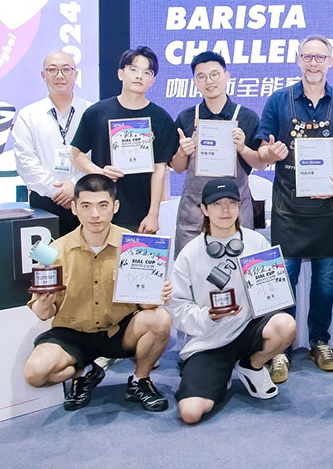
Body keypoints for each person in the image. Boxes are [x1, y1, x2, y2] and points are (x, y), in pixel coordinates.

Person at [21, 174, 173, 412]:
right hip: (72, 334)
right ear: (74, 208)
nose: (95, 214)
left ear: (115, 206)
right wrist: (44, 302)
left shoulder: (136, 245)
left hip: (118, 332)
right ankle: (86, 372)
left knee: (160, 318)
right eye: (86, 206)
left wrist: (155, 295)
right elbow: (43, 313)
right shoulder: (52, 250)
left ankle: (140, 380)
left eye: (103, 205)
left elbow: (146, 307)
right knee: (35, 373)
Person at [255, 35, 333, 380]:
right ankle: (280, 349)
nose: (314, 63)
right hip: (288, 206)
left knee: (325, 280)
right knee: (285, 279)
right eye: (307, 57)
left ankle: (320, 341)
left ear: (331, 61)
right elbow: (262, 148)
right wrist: (270, 153)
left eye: (320, 57)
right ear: (298, 60)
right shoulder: (278, 100)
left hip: (328, 208)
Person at [168, 178, 297, 423]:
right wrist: (207, 315)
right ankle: (221, 373)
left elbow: (273, 292)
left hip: (248, 329)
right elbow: (178, 306)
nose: (225, 209)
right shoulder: (190, 253)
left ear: (239, 206)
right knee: (190, 413)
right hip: (209, 339)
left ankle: (251, 365)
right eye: (217, 204)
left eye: (231, 202)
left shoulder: (257, 242)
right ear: (204, 209)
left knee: (285, 325)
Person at [70, 47, 177, 233]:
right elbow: (75, 154)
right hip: (99, 212)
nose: (139, 76)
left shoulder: (161, 118)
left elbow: (160, 169)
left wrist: (153, 214)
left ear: (152, 80)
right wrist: (99, 173)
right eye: (133, 69)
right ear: (121, 73)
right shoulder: (97, 112)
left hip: (140, 214)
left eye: (147, 72)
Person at [170, 51, 264, 255]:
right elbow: (177, 167)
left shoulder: (247, 117)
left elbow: (260, 163)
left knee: (240, 267)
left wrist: (243, 148)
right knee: (191, 268)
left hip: (236, 211)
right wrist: (183, 152)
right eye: (201, 77)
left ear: (226, 76)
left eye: (214, 74)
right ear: (195, 82)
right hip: (194, 213)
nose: (209, 81)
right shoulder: (186, 117)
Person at [12, 51, 89, 235]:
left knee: (86, 252)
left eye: (66, 69)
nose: (59, 75)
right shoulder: (29, 114)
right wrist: (55, 191)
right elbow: (25, 161)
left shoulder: (91, 111)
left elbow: (99, 157)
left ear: (76, 74)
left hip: (86, 199)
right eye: (52, 70)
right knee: (47, 253)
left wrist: (76, 186)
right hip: (44, 202)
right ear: (43, 75)